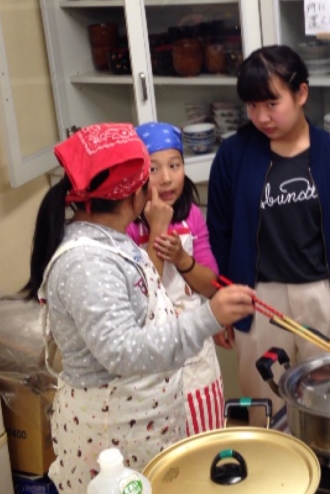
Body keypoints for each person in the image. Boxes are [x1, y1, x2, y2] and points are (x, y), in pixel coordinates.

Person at [24, 123, 253, 493]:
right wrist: (209, 317)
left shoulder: (109, 239)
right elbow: (123, 352)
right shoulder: (87, 264)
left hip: (138, 429)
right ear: (134, 195)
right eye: (150, 176)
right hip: (110, 443)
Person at [207, 45, 330, 419]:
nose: (261, 117)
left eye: (272, 103)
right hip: (257, 301)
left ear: (301, 93)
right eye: (252, 105)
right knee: (264, 409)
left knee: (329, 405)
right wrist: (218, 307)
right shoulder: (233, 156)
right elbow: (218, 234)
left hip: (322, 297)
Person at [126, 121, 227, 435]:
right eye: (153, 169)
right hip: (153, 349)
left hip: (196, 350)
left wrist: (183, 259)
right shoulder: (129, 225)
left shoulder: (192, 215)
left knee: (205, 437)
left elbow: (211, 285)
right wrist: (157, 228)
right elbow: (144, 296)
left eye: (174, 165)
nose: (167, 178)